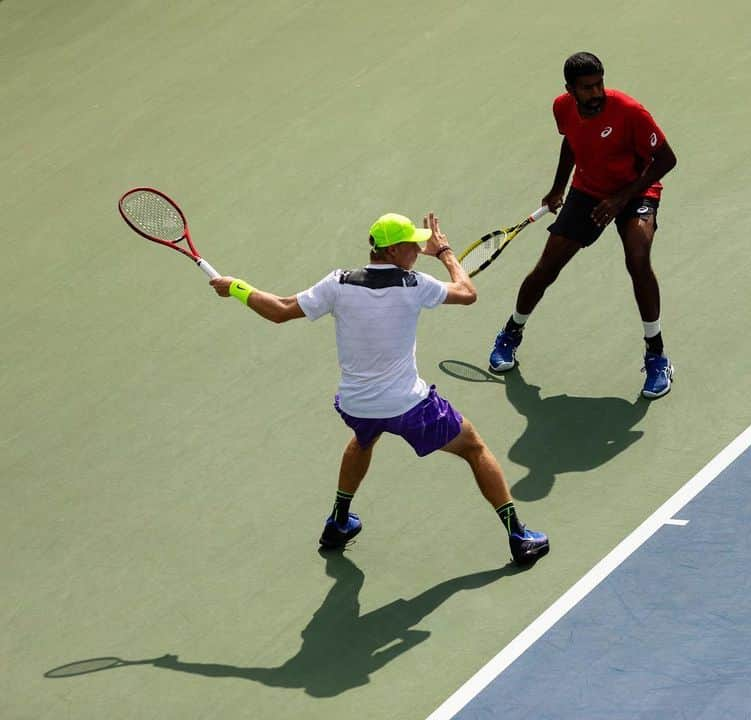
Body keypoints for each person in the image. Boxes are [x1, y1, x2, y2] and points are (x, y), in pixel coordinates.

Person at [208, 212, 549, 566]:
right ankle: (518, 536)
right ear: (393, 250)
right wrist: (445, 252)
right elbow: (467, 293)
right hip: (408, 406)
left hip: (357, 404)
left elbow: (279, 310)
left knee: (364, 438)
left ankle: (339, 521)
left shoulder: (337, 282)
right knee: (474, 448)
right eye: (413, 245)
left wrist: (236, 287)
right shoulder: (415, 284)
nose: (418, 249)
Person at [488, 51, 678, 398]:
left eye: (599, 84)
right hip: (588, 189)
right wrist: (559, 186)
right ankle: (511, 332)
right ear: (570, 90)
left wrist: (622, 199)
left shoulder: (630, 112)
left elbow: (666, 159)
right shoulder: (562, 107)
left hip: (636, 192)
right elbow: (571, 141)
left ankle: (656, 354)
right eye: (586, 88)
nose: (595, 93)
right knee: (546, 268)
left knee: (638, 258)